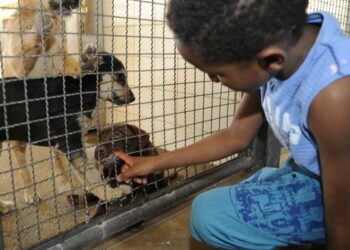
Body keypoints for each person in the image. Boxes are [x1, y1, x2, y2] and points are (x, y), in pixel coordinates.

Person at [115, 0, 350, 249]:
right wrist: (155, 162)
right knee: (239, 196)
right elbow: (236, 135)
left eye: (218, 73)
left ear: (270, 59)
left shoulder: (334, 96)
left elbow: (343, 220)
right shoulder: (277, 40)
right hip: (311, 173)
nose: (214, 80)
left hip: (336, 198)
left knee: (208, 214)